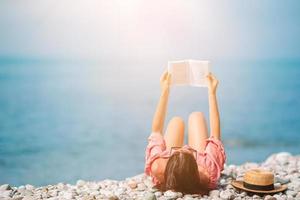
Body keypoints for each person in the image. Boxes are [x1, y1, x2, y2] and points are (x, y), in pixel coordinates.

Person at [144, 71, 226, 195]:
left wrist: (165, 91)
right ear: (195, 166)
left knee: (177, 121)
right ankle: (186, 155)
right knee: (196, 116)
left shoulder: (158, 167)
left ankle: (179, 157)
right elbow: (215, 135)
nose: (184, 147)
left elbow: (156, 131)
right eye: (188, 152)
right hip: (191, 168)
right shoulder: (207, 170)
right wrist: (212, 92)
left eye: (176, 152)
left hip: (179, 168)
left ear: (168, 165)